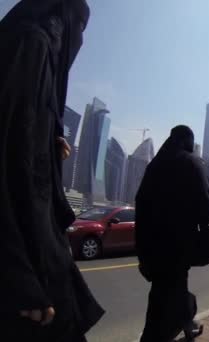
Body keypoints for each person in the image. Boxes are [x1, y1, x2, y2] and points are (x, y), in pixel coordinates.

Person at [0, 0, 104, 341]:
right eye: (82, 28)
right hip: (27, 265)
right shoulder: (31, 45)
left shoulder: (36, 47)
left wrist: (48, 141)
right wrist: (17, 277)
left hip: (40, 251)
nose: (82, 42)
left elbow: (19, 138)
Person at [135, 125, 209, 342]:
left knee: (165, 291)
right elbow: (204, 201)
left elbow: (140, 204)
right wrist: (201, 228)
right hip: (178, 245)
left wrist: (141, 251)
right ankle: (165, 332)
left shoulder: (154, 166)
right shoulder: (191, 162)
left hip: (151, 247)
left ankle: (186, 324)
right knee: (165, 298)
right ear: (187, 141)